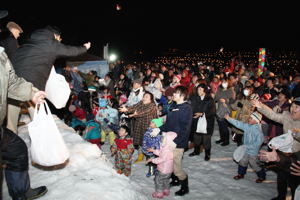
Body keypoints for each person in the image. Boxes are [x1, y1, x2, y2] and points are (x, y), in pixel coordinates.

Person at [7, 25, 91, 133]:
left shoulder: (27, 44)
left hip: (13, 84)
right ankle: (41, 142)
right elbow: (71, 51)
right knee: (38, 119)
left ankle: (8, 144)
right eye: (59, 39)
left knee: (10, 123)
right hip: (31, 86)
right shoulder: (50, 43)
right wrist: (85, 47)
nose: (60, 41)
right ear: (55, 36)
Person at [1, 44, 47, 199]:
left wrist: (31, 93)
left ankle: (21, 193)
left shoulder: (2, 54)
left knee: (17, 150)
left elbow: (12, 82)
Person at [253, 96, 300, 200]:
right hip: (283, 153)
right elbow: (273, 115)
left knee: (294, 182)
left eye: (297, 107)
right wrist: (260, 106)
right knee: (281, 178)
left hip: (297, 158)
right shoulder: (287, 116)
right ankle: (281, 196)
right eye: (292, 106)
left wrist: (297, 135)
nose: (293, 109)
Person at [160, 86, 193, 196]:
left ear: (182, 96)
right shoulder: (173, 106)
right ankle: (175, 180)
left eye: (176, 93)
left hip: (178, 143)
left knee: (177, 168)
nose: (173, 94)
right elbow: (168, 124)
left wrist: (177, 141)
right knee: (170, 162)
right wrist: (158, 129)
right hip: (169, 140)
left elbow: (185, 128)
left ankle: (185, 186)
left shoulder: (186, 108)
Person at [224, 112, 266, 183]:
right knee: (242, 161)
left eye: (251, 118)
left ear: (256, 121)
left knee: (254, 164)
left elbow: (258, 142)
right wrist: (229, 119)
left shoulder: (258, 131)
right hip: (245, 149)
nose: (249, 119)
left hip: (253, 152)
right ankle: (241, 174)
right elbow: (238, 123)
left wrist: (248, 146)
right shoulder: (247, 126)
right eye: (249, 117)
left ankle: (262, 175)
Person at [119, 92, 157, 163]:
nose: (144, 98)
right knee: (140, 141)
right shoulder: (141, 103)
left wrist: (134, 114)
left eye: (146, 97)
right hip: (139, 125)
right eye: (144, 96)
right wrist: (126, 109)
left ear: (151, 100)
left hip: (148, 127)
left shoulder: (152, 106)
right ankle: (140, 155)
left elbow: (144, 112)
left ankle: (151, 159)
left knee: (148, 143)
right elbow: (134, 107)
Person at [189, 84, 216, 161]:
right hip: (196, 121)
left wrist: (202, 114)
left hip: (206, 122)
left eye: (200, 89)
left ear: (204, 90)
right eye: (198, 89)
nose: (198, 91)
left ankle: (207, 154)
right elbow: (192, 107)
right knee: (196, 138)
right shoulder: (195, 98)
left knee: (206, 139)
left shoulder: (209, 99)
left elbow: (212, 111)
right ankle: (196, 151)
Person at [146, 131, 177, 199]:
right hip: (169, 169)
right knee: (166, 180)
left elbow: (161, 159)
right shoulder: (168, 148)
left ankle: (159, 193)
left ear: (167, 141)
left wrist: (152, 160)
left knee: (158, 180)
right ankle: (166, 190)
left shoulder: (166, 150)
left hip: (163, 169)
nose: (161, 140)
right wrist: (153, 150)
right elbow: (160, 153)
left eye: (163, 139)